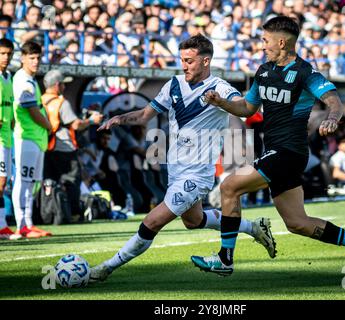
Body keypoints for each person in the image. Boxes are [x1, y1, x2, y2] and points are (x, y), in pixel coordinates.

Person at [191, 16, 345, 279]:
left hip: (289, 152)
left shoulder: (305, 73)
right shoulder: (263, 71)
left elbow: (333, 101)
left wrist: (332, 118)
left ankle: (225, 259)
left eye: (265, 40)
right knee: (297, 223)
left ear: (281, 42)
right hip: (277, 152)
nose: (262, 44)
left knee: (229, 186)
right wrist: (221, 102)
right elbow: (247, 108)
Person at [89, 34, 276, 282]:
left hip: (197, 175)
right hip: (175, 171)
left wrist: (220, 101)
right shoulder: (174, 84)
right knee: (194, 220)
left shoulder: (219, 88)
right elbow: (145, 115)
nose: (184, 65)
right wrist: (119, 119)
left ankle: (104, 269)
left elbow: (244, 107)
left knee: (152, 221)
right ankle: (254, 227)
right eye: (182, 60)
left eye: (189, 60)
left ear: (206, 61)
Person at [42, 69, 103, 222]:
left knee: (49, 182)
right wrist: (91, 121)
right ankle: (74, 214)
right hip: (65, 148)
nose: (64, 87)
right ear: (57, 85)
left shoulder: (40, 99)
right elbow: (76, 125)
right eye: (63, 84)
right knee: (71, 182)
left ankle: (48, 214)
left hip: (46, 147)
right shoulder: (62, 102)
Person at [12, 41, 53, 238]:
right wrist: (48, 125)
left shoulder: (31, 79)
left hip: (36, 139)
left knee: (32, 183)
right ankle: (21, 225)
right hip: (26, 137)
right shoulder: (22, 79)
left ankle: (28, 223)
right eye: (32, 58)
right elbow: (31, 109)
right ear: (22, 58)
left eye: (38, 58)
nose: (36, 62)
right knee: (23, 181)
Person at [0, 38, 22, 240]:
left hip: (7, 136)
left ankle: (2, 226)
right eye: (2, 53)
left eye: (9, 54)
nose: (6, 57)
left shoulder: (8, 77)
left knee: (3, 182)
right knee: (1, 181)